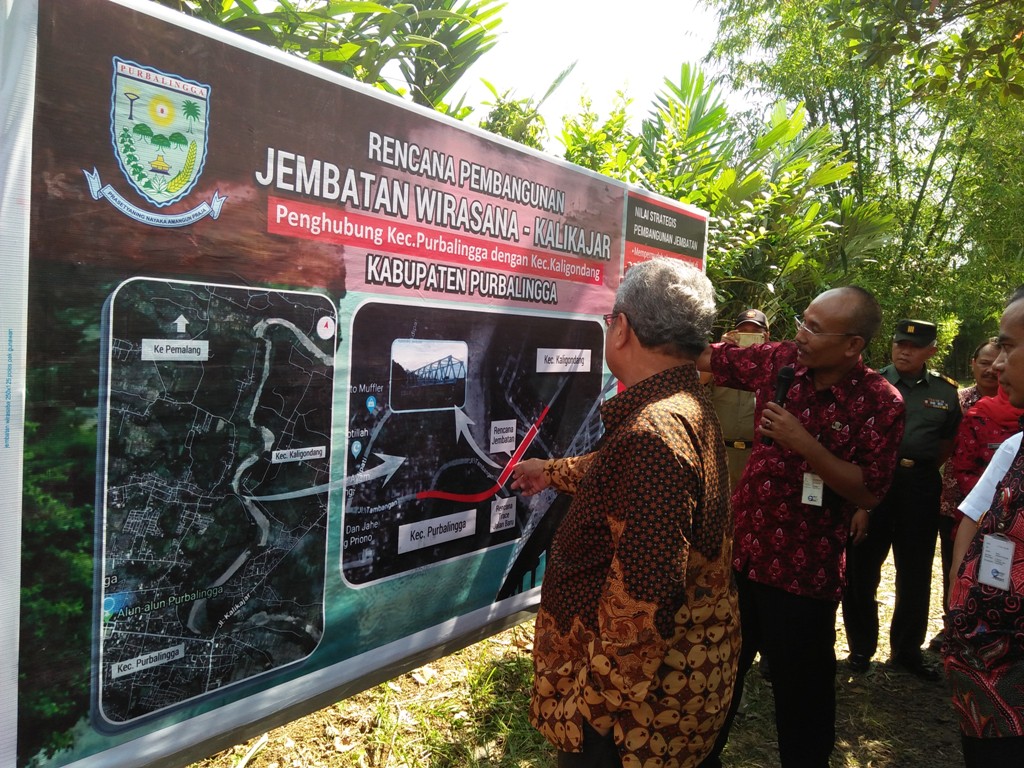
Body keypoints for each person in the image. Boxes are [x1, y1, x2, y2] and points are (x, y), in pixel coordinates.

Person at [515, 257, 741, 768]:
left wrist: (590, 709)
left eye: (608, 319)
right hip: (674, 697)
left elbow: (642, 602)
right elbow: (619, 477)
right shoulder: (684, 404)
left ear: (623, 329)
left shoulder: (652, 434)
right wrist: (552, 470)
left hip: (630, 727)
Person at [695, 286, 905, 768]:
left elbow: (868, 491)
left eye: (814, 327)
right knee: (715, 679)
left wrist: (803, 442)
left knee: (802, 700)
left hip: (801, 574)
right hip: (740, 555)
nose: (801, 334)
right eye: (801, 320)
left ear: (853, 344)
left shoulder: (880, 401)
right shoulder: (782, 363)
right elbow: (714, 357)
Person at [842, 319, 962, 680]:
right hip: (872, 486)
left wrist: (916, 468)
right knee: (861, 570)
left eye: (914, 346)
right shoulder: (870, 384)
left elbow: (944, 444)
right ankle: (861, 648)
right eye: (899, 344)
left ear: (932, 351)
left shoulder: (945, 392)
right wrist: (861, 502)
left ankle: (906, 650)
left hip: (920, 487)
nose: (904, 350)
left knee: (915, 572)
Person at [944, 287, 1024, 766]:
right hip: (984, 680)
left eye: (1009, 347)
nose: (996, 364)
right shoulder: (1018, 446)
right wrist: (959, 610)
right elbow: (973, 520)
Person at [936, 338, 1001, 614]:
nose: (990, 370)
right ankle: (951, 624)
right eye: (984, 363)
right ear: (973, 364)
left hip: (1001, 507)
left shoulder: (1017, 403)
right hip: (955, 503)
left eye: (995, 364)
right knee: (954, 566)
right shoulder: (956, 400)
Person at [709, 309, 770, 490]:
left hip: (755, 454)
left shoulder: (775, 366)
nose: (749, 339)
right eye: (744, 333)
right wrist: (720, 350)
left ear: (766, 336)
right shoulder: (720, 364)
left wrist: (766, 353)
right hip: (720, 453)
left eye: (755, 334)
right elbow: (697, 385)